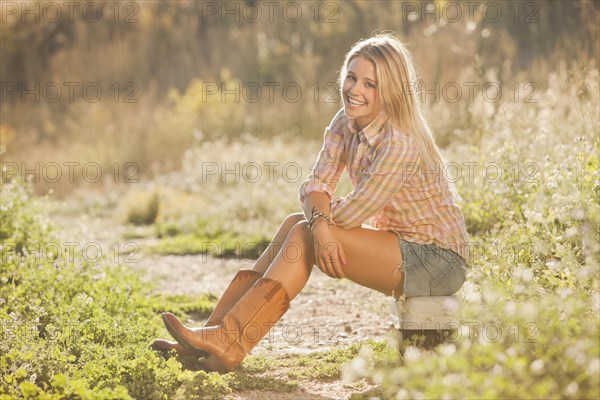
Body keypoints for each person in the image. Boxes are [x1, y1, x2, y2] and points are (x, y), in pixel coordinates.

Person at [151, 33, 470, 373]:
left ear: (391, 91)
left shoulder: (399, 144)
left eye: (370, 84)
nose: (354, 90)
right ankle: (209, 337)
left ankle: (230, 340)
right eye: (351, 77)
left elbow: (354, 211)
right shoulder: (344, 123)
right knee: (295, 224)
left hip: (437, 259)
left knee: (304, 234)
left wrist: (319, 225)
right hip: (400, 243)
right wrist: (320, 221)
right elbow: (317, 184)